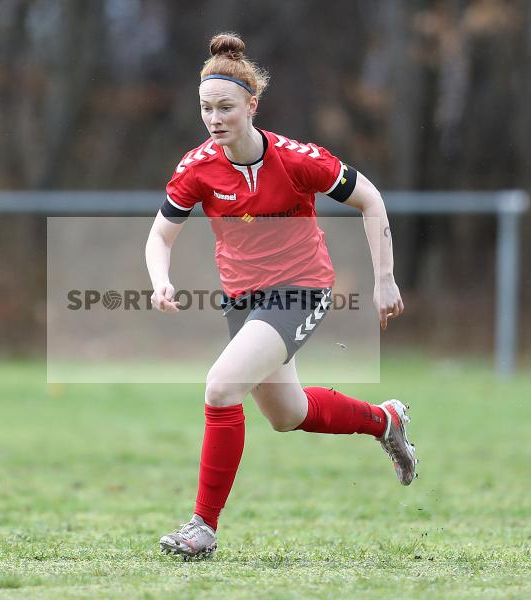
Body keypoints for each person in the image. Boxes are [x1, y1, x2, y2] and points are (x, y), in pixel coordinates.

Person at [145, 32, 416, 561]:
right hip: (243, 299)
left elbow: (371, 200)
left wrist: (384, 278)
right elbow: (160, 234)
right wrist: (161, 278)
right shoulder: (198, 167)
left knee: (221, 386)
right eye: (206, 108)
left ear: (252, 104)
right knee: (287, 414)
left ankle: (202, 526)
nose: (215, 119)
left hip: (301, 287)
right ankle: (387, 421)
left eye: (225, 107)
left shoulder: (297, 160)